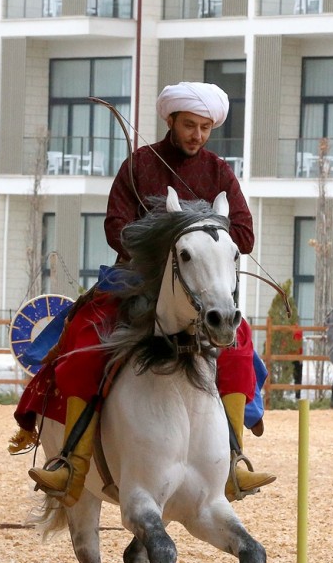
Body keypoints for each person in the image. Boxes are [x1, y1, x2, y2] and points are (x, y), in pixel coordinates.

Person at [21, 81, 276, 505]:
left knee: (239, 344)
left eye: (205, 127)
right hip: (134, 281)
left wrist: (201, 234)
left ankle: (233, 463)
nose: (197, 135)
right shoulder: (140, 164)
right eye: (190, 125)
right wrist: (158, 241)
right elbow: (114, 225)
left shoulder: (218, 171)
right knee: (85, 337)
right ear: (171, 121)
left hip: (200, 290)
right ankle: (72, 462)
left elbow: (245, 234)